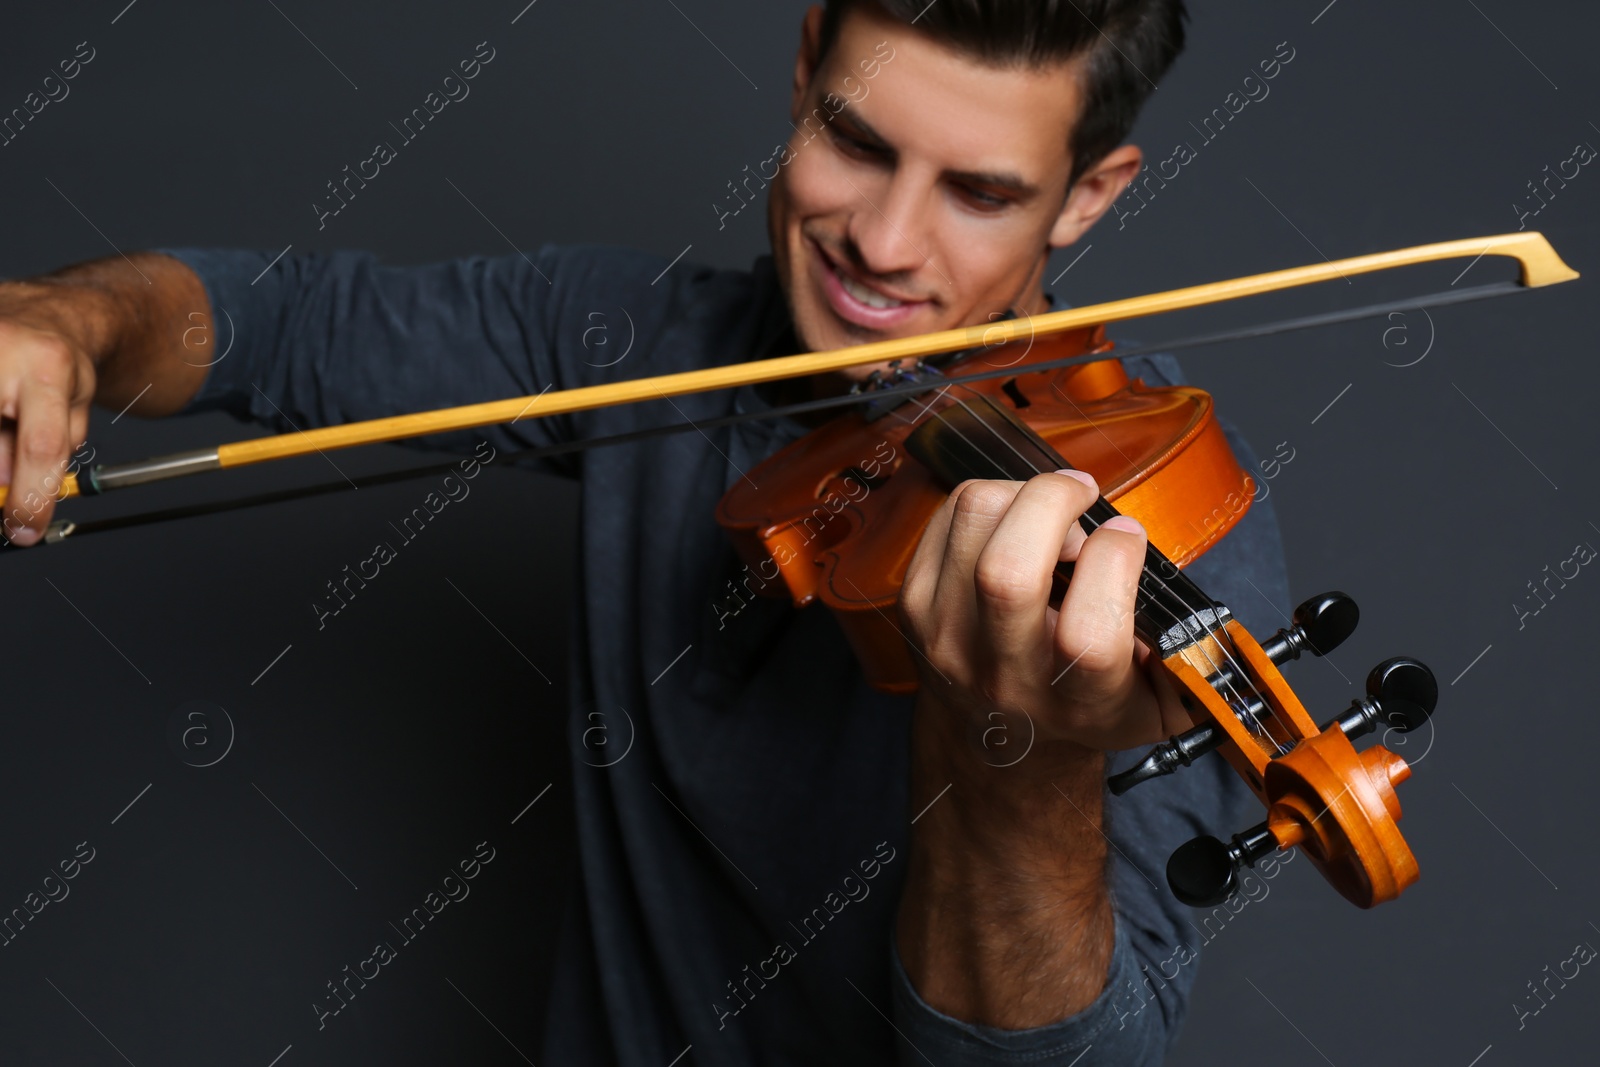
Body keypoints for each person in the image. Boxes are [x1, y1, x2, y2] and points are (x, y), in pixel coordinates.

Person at [0, 0, 1288, 1062]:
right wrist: (71, 325)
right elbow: (276, 322)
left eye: (981, 193)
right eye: (854, 139)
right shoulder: (636, 344)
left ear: (1088, 194)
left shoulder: (1162, 525)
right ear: (802, 74)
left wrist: (1015, 767)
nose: (884, 244)